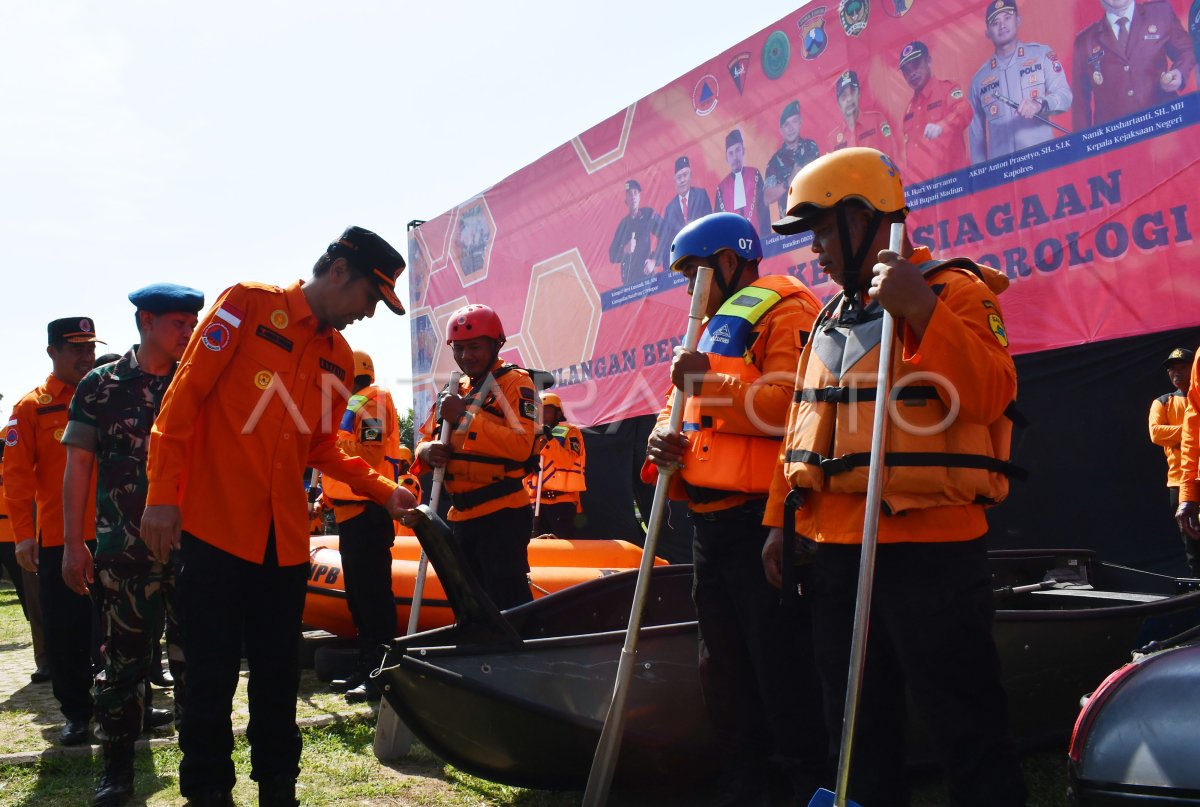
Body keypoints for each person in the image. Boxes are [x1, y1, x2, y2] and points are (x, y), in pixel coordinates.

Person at [766, 147, 1027, 806]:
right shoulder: (826, 319)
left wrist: (922, 312)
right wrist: (779, 522)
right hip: (835, 555)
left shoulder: (953, 291)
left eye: (825, 229)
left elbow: (992, 392)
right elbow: (803, 424)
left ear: (861, 218)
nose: (817, 250)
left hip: (931, 553)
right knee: (854, 729)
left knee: (966, 722)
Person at [140, 226, 415, 807]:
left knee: (277, 678)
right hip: (213, 530)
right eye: (372, 296)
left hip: (284, 545)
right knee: (211, 677)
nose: (370, 312)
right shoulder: (246, 303)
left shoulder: (340, 359)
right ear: (339, 270)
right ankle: (209, 791)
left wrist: (383, 489)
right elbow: (182, 399)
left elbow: (321, 447)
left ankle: (279, 790)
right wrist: (162, 494)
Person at [643, 212, 828, 805]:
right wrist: (658, 444)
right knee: (720, 666)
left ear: (728, 262)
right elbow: (676, 417)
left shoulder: (787, 310)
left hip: (761, 519)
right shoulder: (705, 332)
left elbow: (790, 408)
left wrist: (705, 389)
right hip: (709, 524)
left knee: (779, 663)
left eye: (695, 271)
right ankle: (742, 782)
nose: (688, 285)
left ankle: (801, 783)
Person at [61, 283, 203, 806]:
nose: (188, 332)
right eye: (177, 323)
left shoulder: (200, 381)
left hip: (196, 550)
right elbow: (77, 468)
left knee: (199, 665)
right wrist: (75, 545)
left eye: (193, 322)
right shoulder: (100, 385)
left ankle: (202, 769)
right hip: (124, 550)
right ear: (145, 320)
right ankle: (116, 770)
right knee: (121, 664)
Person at [4, 317, 103, 746]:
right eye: (76, 348)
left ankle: (127, 704)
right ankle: (77, 713)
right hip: (61, 541)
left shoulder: (108, 396)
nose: (87, 356)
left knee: (123, 628)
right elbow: (16, 477)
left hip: (113, 535)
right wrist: (25, 536)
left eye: (90, 348)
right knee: (66, 631)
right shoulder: (32, 408)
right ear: (52, 352)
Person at [412, 303, 538, 610]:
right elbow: (426, 439)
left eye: (475, 348)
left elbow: (521, 445)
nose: (467, 356)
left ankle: (522, 654)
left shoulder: (515, 382)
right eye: (459, 349)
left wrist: (465, 416)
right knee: (472, 601)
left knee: (507, 598)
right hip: (462, 516)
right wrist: (425, 451)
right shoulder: (454, 388)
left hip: (503, 513)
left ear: (496, 344)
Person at [322, 348, 404, 703]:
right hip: (349, 512)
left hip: (369, 510)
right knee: (358, 597)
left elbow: (369, 455)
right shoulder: (346, 405)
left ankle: (381, 673)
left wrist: (327, 442)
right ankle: (366, 663)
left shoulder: (372, 401)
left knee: (373, 597)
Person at [969, 0, 1073, 163]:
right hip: (1003, 172)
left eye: (1007, 18)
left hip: (1043, 160)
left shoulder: (1041, 55)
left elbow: (1065, 96)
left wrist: (1040, 104)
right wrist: (982, 178)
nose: (1002, 25)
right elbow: (976, 139)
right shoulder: (978, 80)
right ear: (987, 32)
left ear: (1018, 20)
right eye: (995, 22)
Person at [1072, 0, 1195, 130]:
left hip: (1164, 127)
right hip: (1117, 137)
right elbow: (1080, 102)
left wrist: (1179, 73)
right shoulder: (1085, 41)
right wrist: (1082, 146)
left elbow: (1186, 50)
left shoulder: (1159, 13)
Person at [0, 440, 50, 683]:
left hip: (38, 528)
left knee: (46, 600)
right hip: (22, 532)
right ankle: (44, 660)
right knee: (35, 601)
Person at [898, 41, 972, 183]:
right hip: (924, 192)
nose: (912, 73)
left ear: (929, 61)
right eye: (906, 70)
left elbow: (965, 111)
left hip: (952, 185)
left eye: (916, 64)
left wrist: (942, 126)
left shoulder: (947, 90)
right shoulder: (909, 111)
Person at [1153, 347, 1198, 575]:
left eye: (1182, 368)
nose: (1176, 373)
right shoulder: (1163, 402)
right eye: (1172, 370)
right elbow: (1156, 433)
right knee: (1192, 542)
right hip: (1179, 483)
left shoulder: (1196, 398)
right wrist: (1191, 430)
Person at [526, 392, 587, 538]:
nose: (542, 415)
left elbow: (571, 461)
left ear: (558, 413)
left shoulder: (571, 432)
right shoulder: (530, 433)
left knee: (562, 547)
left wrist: (550, 442)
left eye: (546, 411)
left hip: (562, 503)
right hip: (535, 502)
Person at [765, 101, 821, 219]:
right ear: (781, 130)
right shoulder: (775, 161)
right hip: (790, 226)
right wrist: (787, 183)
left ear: (800, 123)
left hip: (814, 217)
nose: (790, 128)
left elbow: (820, 178)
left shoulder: (810, 147)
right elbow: (767, 197)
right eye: (786, 125)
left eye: (794, 122)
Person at [657, 156, 713, 271]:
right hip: (683, 265)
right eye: (679, 177)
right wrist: (668, 272)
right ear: (674, 180)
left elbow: (711, 226)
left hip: (703, 258)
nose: (682, 180)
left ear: (690, 175)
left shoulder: (701, 195)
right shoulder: (670, 208)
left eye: (685, 175)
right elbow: (668, 242)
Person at [714, 129, 771, 239]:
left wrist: (766, 239)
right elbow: (719, 224)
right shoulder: (721, 187)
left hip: (757, 239)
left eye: (737, 150)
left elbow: (763, 210)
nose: (735, 157)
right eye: (731, 153)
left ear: (743, 151)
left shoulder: (754, 174)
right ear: (727, 158)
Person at [827, 71, 897, 157]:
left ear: (859, 93)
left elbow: (890, 156)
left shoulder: (877, 120)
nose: (849, 99)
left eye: (852, 92)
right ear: (838, 103)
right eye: (844, 96)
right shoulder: (833, 138)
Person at [607, 179, 662, 285]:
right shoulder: (623, 225)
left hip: (647, 278)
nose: (633, 197)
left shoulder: (647, 215)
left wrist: (654, 261)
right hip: (630, 283)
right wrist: (624, 250)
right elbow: (612, 255)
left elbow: (665, 233)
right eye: (629, 194)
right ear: (626, 201)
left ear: (639, 197)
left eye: (635, 193)